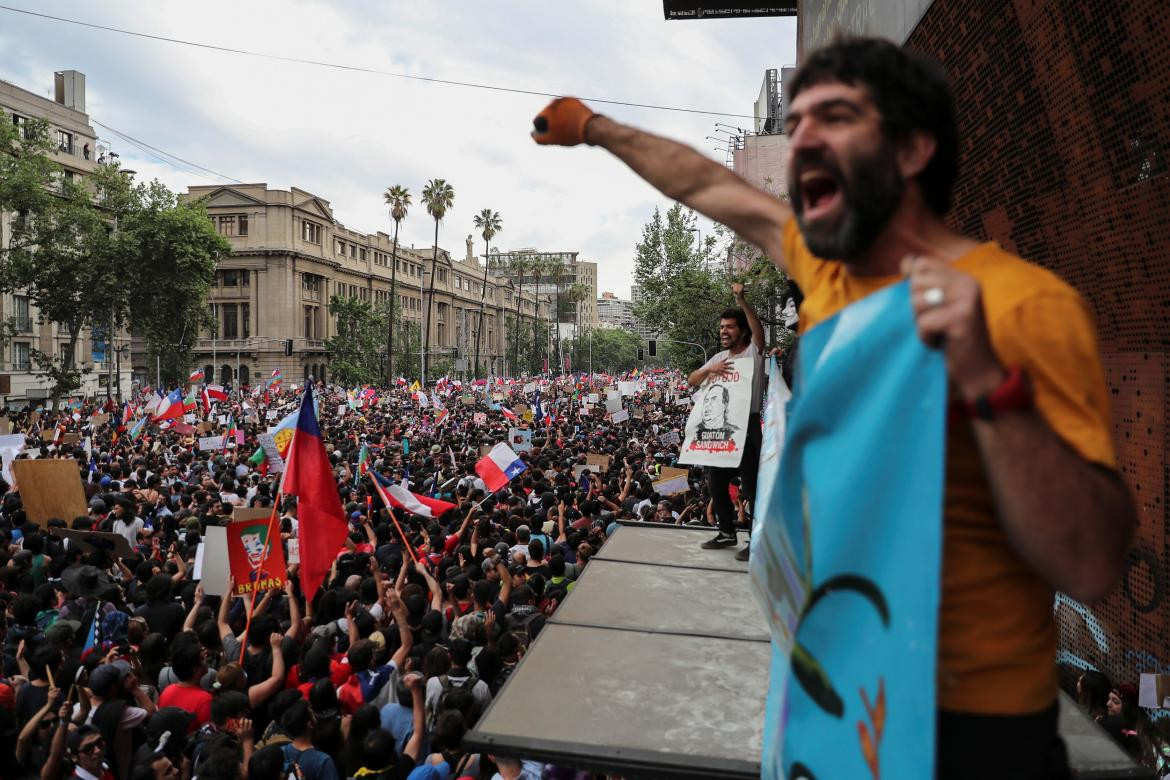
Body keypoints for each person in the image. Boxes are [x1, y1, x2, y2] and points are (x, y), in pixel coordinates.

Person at [532, 34, 1136, 777]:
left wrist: (988, 383)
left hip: (967, 737)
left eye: (835, 118)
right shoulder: (829, 274)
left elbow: (1089, 558)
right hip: (825, 709)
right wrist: (595, 127)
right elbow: (707, 185)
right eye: (799, 123)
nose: (803, 139)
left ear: (913, 149)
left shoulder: (1029, 307)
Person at [686, 284, 765, 561]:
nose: (723, 331)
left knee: (751, 486)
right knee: (715, 482)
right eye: (721, 327)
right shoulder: (718, 358)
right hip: (720, 431)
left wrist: (741, 299)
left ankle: (756, 539)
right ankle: (726, 531)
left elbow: (760, 334)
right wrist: (710, 369)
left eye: (730, 327)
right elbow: (692, 380)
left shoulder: (752, 352)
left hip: (748, 427)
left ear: (742, 330)